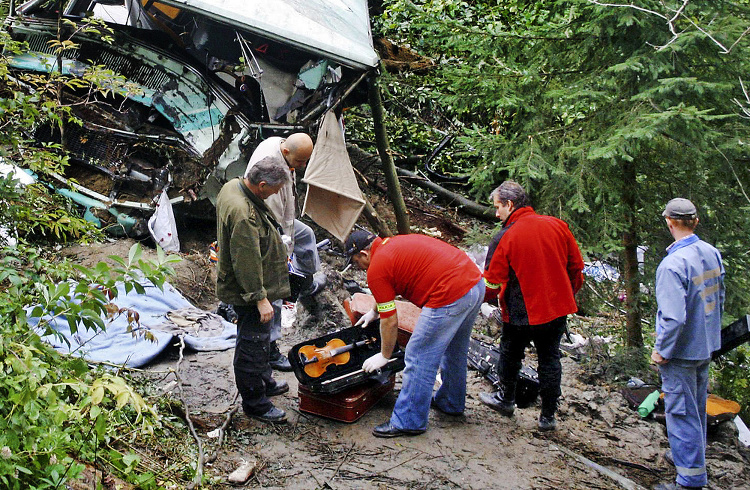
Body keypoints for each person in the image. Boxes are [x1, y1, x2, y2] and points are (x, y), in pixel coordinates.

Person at [345, 228, 485, 438]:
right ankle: (451, 402)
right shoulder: (392, 245)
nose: (358, 267)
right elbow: (387, 287)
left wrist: (384, 355)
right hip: (474, 283)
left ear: (364, 254)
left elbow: (390, 321)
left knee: (418, 354)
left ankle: (409, 420)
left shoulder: (377, 267)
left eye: (356, 262)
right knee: (455, 350)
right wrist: (373, 311)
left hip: (450, 293)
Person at [480, 181, 584, 431]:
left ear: (510, 204)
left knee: (510, 352)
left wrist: (480, 300)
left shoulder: (505, 236)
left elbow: (492, 281)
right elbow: (576, 268)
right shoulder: (557, 226)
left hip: (521, 309)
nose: (496, 214)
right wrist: (565, 294)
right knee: (550, 359)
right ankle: (548, 416)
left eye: (498, 208)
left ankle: (505, 399)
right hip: (556, 308)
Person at [651, 198, 724, 490]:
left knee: (681, 414)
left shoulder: (672, 264)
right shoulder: (711, 252)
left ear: (670, 222)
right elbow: (719, 298)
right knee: (694, 408)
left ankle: (690, 481)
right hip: (705, 345)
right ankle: (687, 458)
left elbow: (673, 318)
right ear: (695, 222)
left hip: (680, 352)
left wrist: (662, 351)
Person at [215, 157, 292, 423]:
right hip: (247, 291)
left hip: (250, 285)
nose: (276, 194)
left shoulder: (234, 186)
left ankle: (264, 381)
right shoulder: (244, 215)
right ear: (261, 184)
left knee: (259, 341)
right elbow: (245, 260)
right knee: (253, 345)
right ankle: (255, 403)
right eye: (275, 189)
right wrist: (260, 299)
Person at [246, 132, 323, 372]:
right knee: (276, 289)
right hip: (267, 226)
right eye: (300, 162)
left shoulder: (281, 146)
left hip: (284, 220)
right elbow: (276, 225)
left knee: (307, 235)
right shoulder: (270, 170)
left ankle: (307, 282)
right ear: (287, 153)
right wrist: (284, 258)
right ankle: (271, 349)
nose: (302, 167)